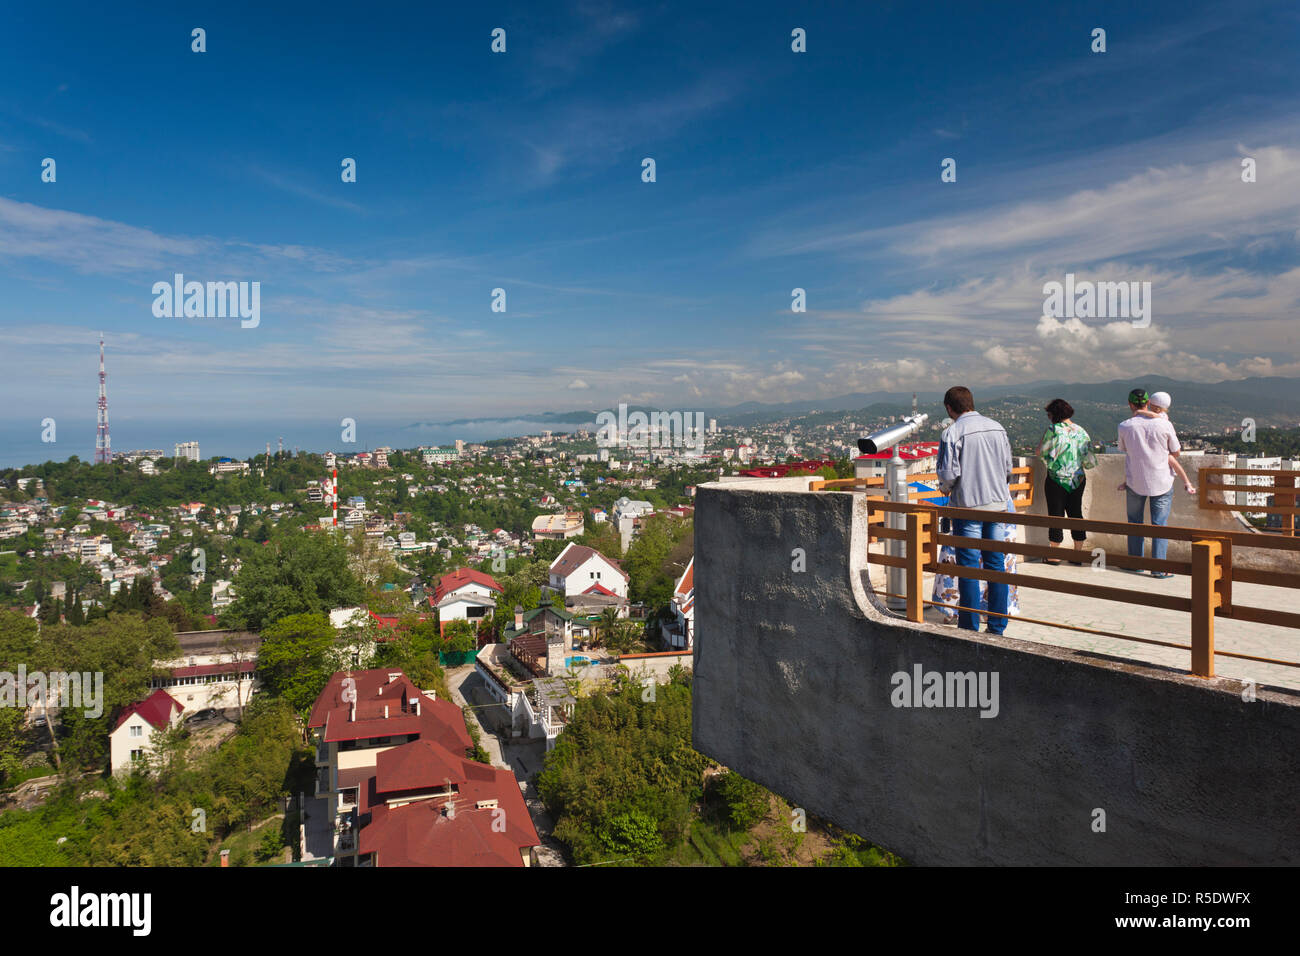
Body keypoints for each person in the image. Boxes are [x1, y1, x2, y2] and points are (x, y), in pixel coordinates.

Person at [935, 386, 1014, 634]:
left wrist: (945, 489)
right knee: (996, 565)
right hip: (998, 506)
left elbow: (948, 475)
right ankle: (997, 625)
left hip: (968, 507)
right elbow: (1008, 468)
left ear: (950, 408)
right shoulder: (997, 428)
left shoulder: (953, 432)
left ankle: (969, 626)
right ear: (971, 402)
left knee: (968, 569)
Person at [1116, 387, 1181, 578]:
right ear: (1148, 403)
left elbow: (1123, 448)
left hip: (1135, 480)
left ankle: (1136, 564)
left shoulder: (1124, 426)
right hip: (1162, 480)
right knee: (1159, 525)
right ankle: (1159, 569)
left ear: (1130, 404)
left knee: (1135, 523)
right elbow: (1176, 452)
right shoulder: (1164, 424)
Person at [1035, 398, 1097, 565]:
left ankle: (1054, 554)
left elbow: (1040, 452)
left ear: (1054, 415)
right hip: (1077, 479)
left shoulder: (1053, 430)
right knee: (1076, 514)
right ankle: (1077, 554)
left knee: (1056, 515)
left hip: (1057, 479)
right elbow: (1090, 460)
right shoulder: (1081, 431)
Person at [1132, 390, 1196, 495]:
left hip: (1164, 453)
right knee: (1175, 464)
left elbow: (1154, 416)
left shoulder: (1162, 416)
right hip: (1163, 452)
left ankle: (1187, 483)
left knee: (1173, 463)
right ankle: (1187, 483)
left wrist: (1140, 412)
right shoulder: (1163, 415)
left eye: (1150, 404)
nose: (1148, 406)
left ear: (1156, 407)